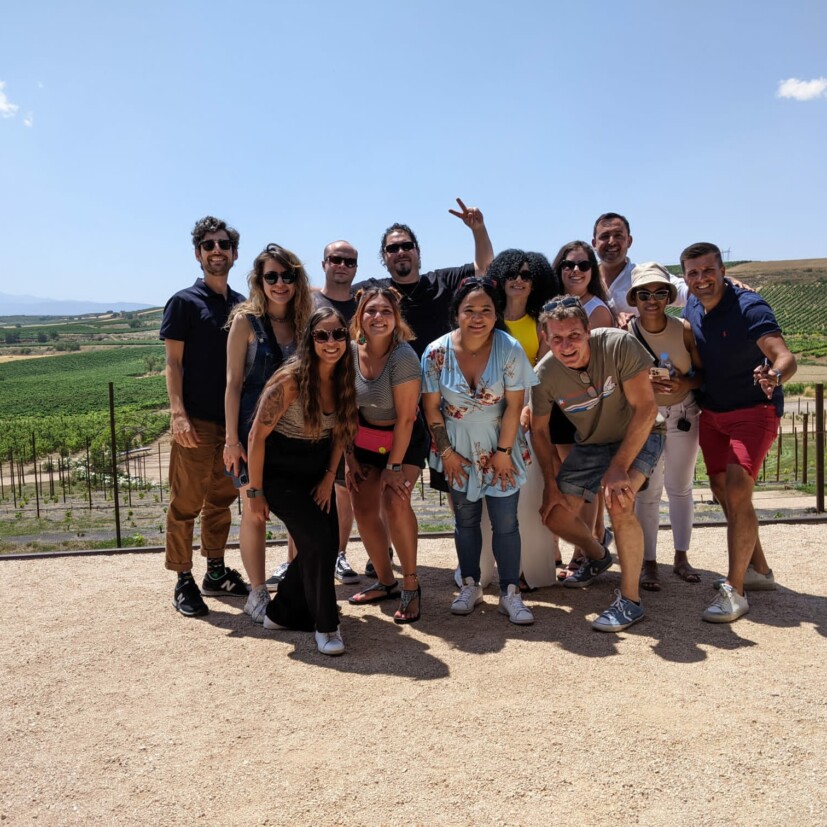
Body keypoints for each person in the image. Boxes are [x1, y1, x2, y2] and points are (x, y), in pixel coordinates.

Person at [530, 296, 664, 632]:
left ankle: (630, 601)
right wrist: (550, 485)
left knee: (619, 499)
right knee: (554, 514)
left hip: (641, 434)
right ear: (546, 339)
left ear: (588, 330)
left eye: (573, 335)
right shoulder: (544, 374)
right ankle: (597, 554)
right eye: (557, 338)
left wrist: (619, 467)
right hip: (592, 444)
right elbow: (539, 431)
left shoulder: (619, 345)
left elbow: (646, 409)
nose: (566, 345)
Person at [680, 242, 796, 623]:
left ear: (723, 269)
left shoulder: (750, 306)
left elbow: (784, 356)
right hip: (712, 411)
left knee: (736, 487)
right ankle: (759, 570)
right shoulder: (691, 303)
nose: (701, 279)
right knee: (720, 489)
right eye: (693, 273)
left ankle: (736, 590)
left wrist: (775, 374)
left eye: (708, 270)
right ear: (685, 277)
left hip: (753, 409)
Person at [422, 277, 539, 625]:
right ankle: (470, 584)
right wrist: (447, 454)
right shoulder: (436, 352)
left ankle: (509, 593)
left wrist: (503, 452)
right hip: (454, 446)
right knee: (465, 520)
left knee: (506, 522)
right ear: (456, 313)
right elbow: (431, 409)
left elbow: (515, 406)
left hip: (501, 442)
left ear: (495, 313)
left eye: (486, 310)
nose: (477, 317)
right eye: (469, 310)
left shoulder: (509, 348)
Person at [246, 307, 358, 655]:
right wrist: (255, 491)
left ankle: (281, 614)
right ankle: (326, 626)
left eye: (338, 334)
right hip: (279, 473)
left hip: (316, 470)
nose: (331, 342)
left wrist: (328, 478)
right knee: (320, 542)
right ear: (309, 339)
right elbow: (256, 437)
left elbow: (340, 433)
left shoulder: (343, 377)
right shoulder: (289, 380)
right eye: (321, 335)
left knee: (322, 542)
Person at [161, 215, 249, 617]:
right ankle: (183, 578)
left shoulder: (242, 306)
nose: (217, 251)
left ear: (234, 253)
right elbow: (173, 364)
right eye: (209, 245)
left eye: (223, 245)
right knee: (185, 503)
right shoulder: (183, 302)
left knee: (221, 500)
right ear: (198, 254)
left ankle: (215, 571)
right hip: (195, 423)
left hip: (232, 426)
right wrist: (178, 414)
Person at [224, 244, 312, 622]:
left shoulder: (305, 322)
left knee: (296, 515)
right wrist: (231, 440)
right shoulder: (245, 321)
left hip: (294, 434)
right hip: (249, 432)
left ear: (296, 280)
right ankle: (257, 592)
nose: (279, 283)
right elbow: (232, 384)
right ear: (259, 281)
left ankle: (295, 587)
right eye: (270, 276)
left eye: (286, 276)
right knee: (254, 511)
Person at [345, 287, 429, 623]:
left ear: (396, 319)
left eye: (385, 312)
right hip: (364, 438)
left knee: (395, 503)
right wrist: (349, 457)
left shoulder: (403, 356)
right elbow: (345, 410)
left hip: (404, 439)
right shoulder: (349, 352)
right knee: (363, 509)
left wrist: (394, 466)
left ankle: (411, 584)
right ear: (360, 317)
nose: (378, 317)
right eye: (371, 311)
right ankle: (385, 581)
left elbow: (408, 417)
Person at [624, 262, 704, 591]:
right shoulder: (626, 334)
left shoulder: (683, 329)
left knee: (681, 488)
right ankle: (649, 563)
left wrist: (684, 384)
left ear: (669, 296)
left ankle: (681, 558)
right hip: (647, 421)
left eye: (659, 292)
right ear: (635, 298)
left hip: (684, 415)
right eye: (645, 293)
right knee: (649, 492)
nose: (652, 299)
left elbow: (702, 374)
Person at [551, 241, 615, 580]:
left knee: (585, 483)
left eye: (583, 264)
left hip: (587, 407)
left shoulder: (599, 311)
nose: (575, 270)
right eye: (568, 264)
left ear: (593, 270)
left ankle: (583, 553)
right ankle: (589, 543)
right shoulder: (552, 308)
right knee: (570, 480)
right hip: (559, 407)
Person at [358, 198, 495, 358]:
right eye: (393, 248)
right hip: (396, 379)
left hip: (441, 377)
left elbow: (484, 268)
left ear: (418, 251)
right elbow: (331, 294)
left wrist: (478, 229)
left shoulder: (442, 281)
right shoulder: (375, 292)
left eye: (407, 246)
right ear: (384, 256)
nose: (401, 251)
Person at [310, 240, 361, 586]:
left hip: (355, 403)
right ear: (324, 262)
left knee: (344, 486)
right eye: (336, 259)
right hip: (315, 404)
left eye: (349, 260)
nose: (342, 265)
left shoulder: (363, 303)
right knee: (309, 483)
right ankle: (301, 559)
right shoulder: (309, 299)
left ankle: (339, 554)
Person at [592, 212, 688, 316]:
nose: (611, 241)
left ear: (629, 241)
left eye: (618, 235)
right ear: (594, 244)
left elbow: (684, 292)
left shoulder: (645, 275)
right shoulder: (584, 279)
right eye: (605, 236)